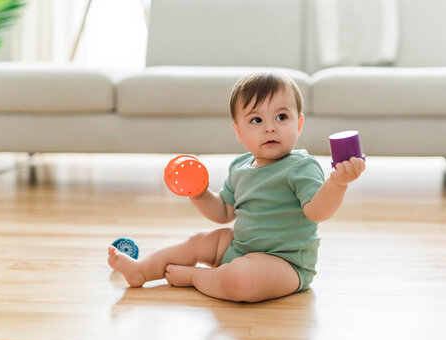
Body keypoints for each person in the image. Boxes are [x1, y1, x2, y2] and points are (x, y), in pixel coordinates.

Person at [107, 71, 365, 302]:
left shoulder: (301, 167)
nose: (270, 127)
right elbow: (223, 212)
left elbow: (317, 212)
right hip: (239, 247)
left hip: (285, 264)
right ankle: (141, 270)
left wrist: (337, 183)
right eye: (256, 120)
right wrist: (199, 193)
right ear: (239, 132)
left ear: (298, 123)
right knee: (197, 243)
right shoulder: (241, 166)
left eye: (281, 116)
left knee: (242, 280)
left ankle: (197, 278)